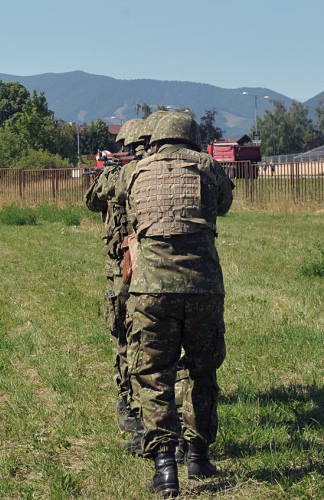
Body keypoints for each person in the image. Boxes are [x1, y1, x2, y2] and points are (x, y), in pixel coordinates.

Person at [117, 112, 234, 497]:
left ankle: (165, 467)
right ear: (192, 138)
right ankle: (198, 455)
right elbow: (225, 203)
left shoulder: (135, 171)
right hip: (203, 287)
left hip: (151, 290)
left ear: (157, 139)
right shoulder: (208, 166)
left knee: (154, 374)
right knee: (201, 371)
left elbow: (121, 205)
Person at [85, 118, 141, 440]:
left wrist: (110, 173)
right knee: (129, 332)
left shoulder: (125, 176)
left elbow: (92, 200)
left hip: (127, 266)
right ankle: (131, 397)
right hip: (133, 265)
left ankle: (129, 399)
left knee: (123, 333)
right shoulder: (142, 173)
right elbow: (93, 201)